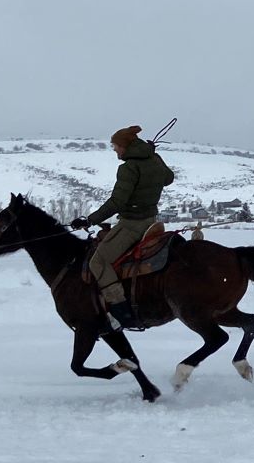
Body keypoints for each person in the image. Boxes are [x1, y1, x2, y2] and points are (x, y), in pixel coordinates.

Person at [70, 125, 175, 332]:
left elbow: (117, 202)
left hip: (132, 224)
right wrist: (155, 156)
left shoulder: (128, 167)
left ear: (125, 146)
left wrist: (90, 220)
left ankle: (120, 312)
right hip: (152, 221)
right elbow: (168, 179)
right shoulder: (153, 159)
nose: (115, 150)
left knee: (98, 261)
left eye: (116, 146)